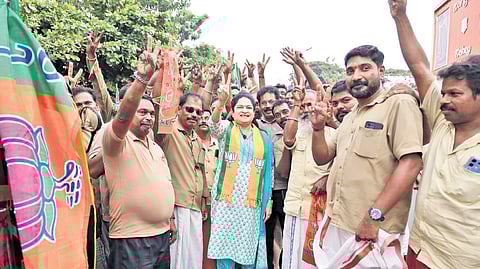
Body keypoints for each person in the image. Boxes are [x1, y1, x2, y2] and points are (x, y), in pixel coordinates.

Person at [310, 45, 423, 267]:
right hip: (339, 223)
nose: (356, 76)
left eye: (364, 68)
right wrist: (317, 129)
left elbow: (411, 163)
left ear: (381, 72)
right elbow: (322, 157)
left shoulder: (399, 104)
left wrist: (373, 217)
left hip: (374, 231)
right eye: (350, 71)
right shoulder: (352, 115)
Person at [390, 0, 480, 268]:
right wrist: (400, 17)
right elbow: (419, 66)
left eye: (454, 94)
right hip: (419, 250)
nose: (444, 100)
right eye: (443, 94)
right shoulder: (442, 123)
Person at [103, 48, 175, 268]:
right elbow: (123, 116)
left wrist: (169, 219)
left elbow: (165, 185)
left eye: (151, 113)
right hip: (131, 239)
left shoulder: (155, 148)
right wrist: (142, 79)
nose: (149, 116)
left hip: (161, 236)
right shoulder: (115, 141)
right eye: (141, 112)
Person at [208, 85, 274, 268]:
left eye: (249, 107)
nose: (244, 111)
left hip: (250, 204)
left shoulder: (264, 138)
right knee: (224, 248)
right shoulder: (226, 129)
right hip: (225, 203)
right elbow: (212, 126)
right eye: (240, 107)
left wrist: (268, 201)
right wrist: (220, 103)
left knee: (246, 248)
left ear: (254, 112)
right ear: (233, 110)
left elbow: (270, 171)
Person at [281, 88, 333, 269]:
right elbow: (287, 139)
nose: (308, 110)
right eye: (303, 106)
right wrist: (295, 104)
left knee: (314, 262)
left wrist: (327, 177)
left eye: (310, 104)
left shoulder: (333, 134)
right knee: (290, 260)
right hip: (296, 207)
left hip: (319, 211)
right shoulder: (298, 130)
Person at [156, 92, 208, 269]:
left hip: (195, 206)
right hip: (176, 205)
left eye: (198, 112)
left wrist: (204, 198)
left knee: (193, 258)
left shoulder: (197, 139)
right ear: (178, 110)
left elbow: (200, 170)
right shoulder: (169, 131)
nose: (194, 114)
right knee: (176, 257)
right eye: (189, 109)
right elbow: (159, 110)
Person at [265, 99, 292, 269]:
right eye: (277, 115)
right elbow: (283, 171)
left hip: (296, 193)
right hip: (279, 191)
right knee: (272, 234)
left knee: (288, 236)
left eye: (284, 112)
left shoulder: (308, 130)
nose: (282, 117)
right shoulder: (277, 140)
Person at [196, 109, 218, 269]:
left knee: (212, 241)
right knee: (199, 242)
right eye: (200, 118)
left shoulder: (220, 142)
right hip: (197, 201)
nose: (203, 121)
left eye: (207, 118)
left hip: (217, 201)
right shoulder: (192, 142)